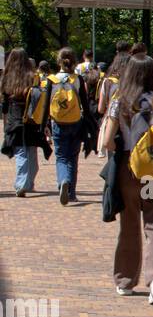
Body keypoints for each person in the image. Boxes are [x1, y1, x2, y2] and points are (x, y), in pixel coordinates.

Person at [100, 56, 153, 306]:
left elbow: (107, 141)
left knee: (129, 223)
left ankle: (125, 280)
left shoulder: (118, 101)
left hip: (127, 168)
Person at [1, 48, 46, 196]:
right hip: (32, 118)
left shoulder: (7, 77)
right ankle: (28, 182)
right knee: (31, 151)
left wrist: (6, 124)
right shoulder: (33, 76)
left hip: (15, 118)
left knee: (21, 152)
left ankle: (22, 183)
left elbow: (5, 104)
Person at [48, 47, 89, 204]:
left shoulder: (52, 80)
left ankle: (63, 180)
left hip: (57, 122)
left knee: (61, 156)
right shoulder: (78, 79)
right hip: (75, 122)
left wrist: (45, 125)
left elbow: (46, 105)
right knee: (73, 157)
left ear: (59, 61)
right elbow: (85, 105)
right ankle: (71, 193)